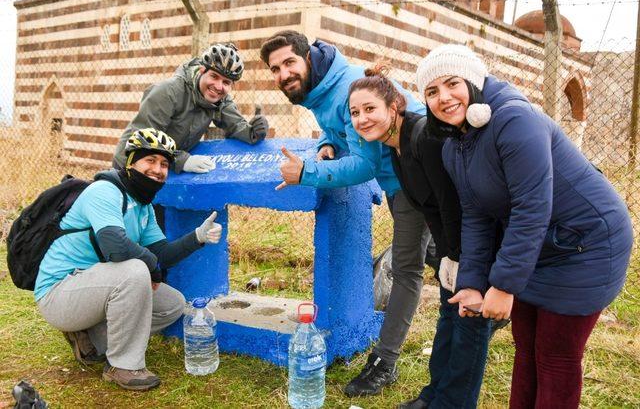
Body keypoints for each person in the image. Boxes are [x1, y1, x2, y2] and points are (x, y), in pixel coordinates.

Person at [416, 44, 633, 408]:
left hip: (588, 244)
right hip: (539, 248)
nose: (444, 97)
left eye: (452, 83)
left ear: (474, 81)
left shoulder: (516, 120)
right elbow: (476, 216)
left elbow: (532, 207)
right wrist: (472, 283)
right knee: (527, 350)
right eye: (432, 92)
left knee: (556, 357)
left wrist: (503, 284)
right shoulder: (456, 146)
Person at [260, 30, 431, 397]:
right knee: (433, 249)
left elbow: (363, 166)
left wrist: (306, 173)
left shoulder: (345, 85)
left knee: (406, 268)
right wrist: (325, 144)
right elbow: (338, 130)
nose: (283, 74)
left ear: (308, 57)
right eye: (275, 69)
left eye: (289, 62)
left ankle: (384, 361)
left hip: (417, 177)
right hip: (400, 177)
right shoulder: (320, 88)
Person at [35, 128, 223, 391]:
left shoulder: (143, 206)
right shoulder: (104, 191)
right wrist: (151, 265)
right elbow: (115, 247)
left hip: (95, 288)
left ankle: (91, 339)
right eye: (150, 161)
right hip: (59, 293)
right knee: (135, 270)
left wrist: (197, 237)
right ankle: (123, 366)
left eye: (164, 164)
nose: (158, 170)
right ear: (131, 162)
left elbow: (161, 255)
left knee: (173, 304)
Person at [349, 63, 492, 408]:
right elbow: (431, 211)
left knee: (467, 324)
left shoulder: (422, 137)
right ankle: (433, 395)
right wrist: (445, 256)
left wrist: (458, 258)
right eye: (355, 112)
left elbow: (452, 205)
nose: (362, 119)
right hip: (454, 244)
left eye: (370, 109)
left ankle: (451, 402)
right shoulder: (394, 148)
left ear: (394, 106)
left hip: (476, 239)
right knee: (447, 316)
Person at [113, 42, 269, 174]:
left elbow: (237, 126)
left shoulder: (220, 99)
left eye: (226, 82)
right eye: (214, 76)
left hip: (164, 166)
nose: (218, 86)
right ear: (202, 70)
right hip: (132, 165)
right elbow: (144, 140)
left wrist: (255, 131)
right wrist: (182, 160)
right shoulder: (168, 92)